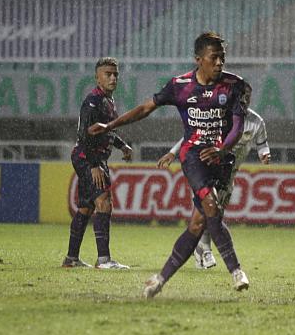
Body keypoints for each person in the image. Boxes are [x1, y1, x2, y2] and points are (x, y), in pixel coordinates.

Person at [91, 31, 250, 298]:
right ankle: (236, 271)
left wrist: (222, 150)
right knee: (210, 205)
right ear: (199, 59)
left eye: (223, 57)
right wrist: (110, 125)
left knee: (199, 223)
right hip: (194, 157)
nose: (221, 63)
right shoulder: (180, 85)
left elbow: (238, 127)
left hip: (222, 160)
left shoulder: (234, 85)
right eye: (215, 58)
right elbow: (144, 109)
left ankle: (160, 279)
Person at [157, 83, 271, 269]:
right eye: (240, 96)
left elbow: (262, 145)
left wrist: (265, 155)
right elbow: (194, 135)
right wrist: (173, 152)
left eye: (246, 97)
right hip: (208, 167)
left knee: (216, 212)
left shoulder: (256, 122)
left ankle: (200, 249)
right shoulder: (220, 115)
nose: (243, 100)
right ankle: (206, 250)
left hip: (229, 172)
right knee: (210, 208)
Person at [62, 57, 133, 269]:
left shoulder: (108, 100)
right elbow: (85, 133)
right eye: (107, 74)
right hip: (88, 157)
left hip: (91, 157)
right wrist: (94, 164)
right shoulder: (92, 101)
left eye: (115, 74)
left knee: (86, 207)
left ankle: (71, 258)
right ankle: (104, 260)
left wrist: (122, 146)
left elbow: (106, 130)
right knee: (104, 201)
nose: (112, 78)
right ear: (97, 77)